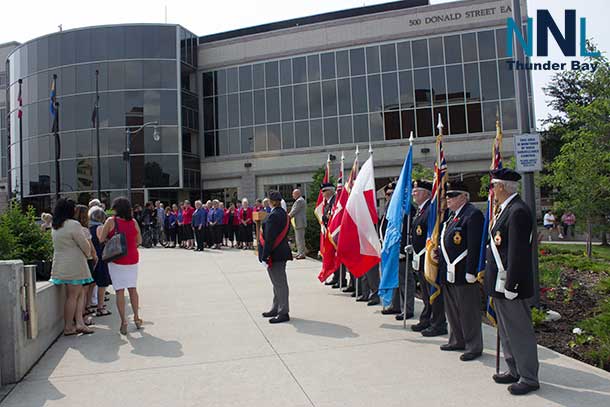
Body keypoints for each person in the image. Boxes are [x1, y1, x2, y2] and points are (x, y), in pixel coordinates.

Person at [484, 168, 540, 395]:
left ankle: (528, 376)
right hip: (500, 281)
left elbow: (518, 252)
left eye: (493, 186)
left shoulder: (517, 211)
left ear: (502, 187)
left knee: (519, 331)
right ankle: (513, 368)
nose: (492, 191)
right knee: (506, 330)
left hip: (510, 283)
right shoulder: (505, 210)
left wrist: (512, 285)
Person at [438, 180, 484, 362]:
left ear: (464, 197)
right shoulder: (452, 216)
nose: (448, 199)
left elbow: (474, 246)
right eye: (447, 196)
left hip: (464, 271)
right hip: (448, 271)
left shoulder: (473, 215)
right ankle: (457, 340)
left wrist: (471, 270)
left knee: (468, 311)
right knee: (452, 310)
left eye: (453, 196)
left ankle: (474, 346)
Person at [49, 198, 95, 336]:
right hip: (75, 265)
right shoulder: (73, 224)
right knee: (74, 296)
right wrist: (88, 254)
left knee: (78, 294)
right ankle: (69, 326)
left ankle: (79, 323)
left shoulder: (55, 225)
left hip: (60, 264)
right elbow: (85, 246)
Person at [99, 197, 143, 335]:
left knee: (119, 291)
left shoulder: (111, 221)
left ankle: (124, 320)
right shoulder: (134, 221)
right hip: (132, 258)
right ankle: (136, 317)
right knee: (132, 288)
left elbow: (101, 239)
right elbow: (139, 241)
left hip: (117, 259)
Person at [409, 180, 447, 336]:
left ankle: (438, 323)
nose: (413, 193)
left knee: (433, 292)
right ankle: (426, 318)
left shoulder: (431, 210)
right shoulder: (420, 210)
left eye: (417, 190)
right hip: (420, 257)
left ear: (426, 193)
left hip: (428, 258)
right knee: (424, 292)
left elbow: (433, 234)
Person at [259, 190, 293, 324]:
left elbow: (270, 238)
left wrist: (265, 255)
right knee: (277, 283)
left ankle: (283, 312)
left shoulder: (273, 216)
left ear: (271, 201)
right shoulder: (284, 214)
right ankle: (276, 307)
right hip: (281, 252)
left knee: (280, 284)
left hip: (275, 254)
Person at [74, 204, 98, 323]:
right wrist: (95, 256)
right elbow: (90, 246)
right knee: (84, 289)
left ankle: (82, 311)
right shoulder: (84, 229)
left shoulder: (73, 228)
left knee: (82, 289)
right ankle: (82, 312)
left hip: (77, 260)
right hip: (86, 259)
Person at [320, 183, 346, 288]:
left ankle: (341, 279)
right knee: (333, 256)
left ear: (330, 191)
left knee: (338, 257)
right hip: (330, 233)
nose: (323, 194)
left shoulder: (335, 200)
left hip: (336, 233)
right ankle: (336, 277)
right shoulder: (327, 203)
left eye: (324, 191)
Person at [89, 207, 112, 317]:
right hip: (100, 257)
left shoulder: (89, 228)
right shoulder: (100, 227)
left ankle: (88, 305)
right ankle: (100, 307)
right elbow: (102, 240)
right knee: (102, 283)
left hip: (92, 258)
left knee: (92, 283)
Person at [289, 189, 307, 259]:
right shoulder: (298, 200)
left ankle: (302, 254)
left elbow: (294, 211)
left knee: (300, 239)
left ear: (297, 194)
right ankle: (299, 252)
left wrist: (287, 216)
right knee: (298, 239)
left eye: (293, 194)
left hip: (300, 223)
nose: (292, 195)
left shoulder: (300, 201)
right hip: (298, 223)